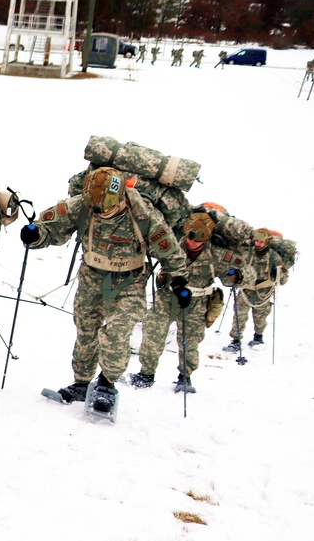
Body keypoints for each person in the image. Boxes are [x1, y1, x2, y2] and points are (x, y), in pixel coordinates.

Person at [19, 167, 189, 414]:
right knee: (86, 330)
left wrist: (179, 281)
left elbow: (169, 250)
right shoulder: (82, 205)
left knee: (117, 333)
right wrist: (35, 235)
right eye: (96, 208)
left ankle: (107, 386)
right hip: (91, 277)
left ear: (120, 198)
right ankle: (81, 383)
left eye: (106, 208)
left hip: (129, 282)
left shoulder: (143, 214)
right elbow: (51, 227)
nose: (100, 213)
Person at [129, 208, 253, 391]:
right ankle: (146, 373)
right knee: (153, 334)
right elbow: (147, 248)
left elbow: (249, 273)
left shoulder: (218, 255)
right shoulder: (172, 245)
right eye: (189, 238)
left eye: (198, 241)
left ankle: (185, 377)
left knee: (190, 341)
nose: (192, 243)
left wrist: (238, 275)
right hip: (168, 297)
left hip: (197, 302)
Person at [224, 227, 297, 352]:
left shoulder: (274, 257)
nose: (258, 244)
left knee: (260, 317)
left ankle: (258, 337)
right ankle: (235, 340)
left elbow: (284, 279)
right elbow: (238, 265)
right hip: (246, 289)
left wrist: (277, 274)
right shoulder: (247, 253)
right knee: (239, 314)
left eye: (261, 242)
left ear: (267, 242)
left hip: (263, 291)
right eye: (257, 241)